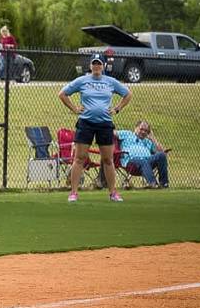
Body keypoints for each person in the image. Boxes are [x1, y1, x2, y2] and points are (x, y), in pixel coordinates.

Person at [58, 53, 132, 202]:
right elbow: (62, 94)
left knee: (108, 159)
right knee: (79, 158)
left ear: (103, 66)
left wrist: (117, 109)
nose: (96, 66)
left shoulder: (110, 82)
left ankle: (113, 193)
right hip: (86, 123)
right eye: (94, 64)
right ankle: (73, 193)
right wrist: (74, 109)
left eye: (99, 64)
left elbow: (128, 94)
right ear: (90, 66)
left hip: (104, 124)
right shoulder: (82, 81)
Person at [116, 120, 169, 188]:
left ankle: (164, 184)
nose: (143, 132)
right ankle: (153, 184)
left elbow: (162, 152)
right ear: (136, 128)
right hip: (131, 161)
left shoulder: (148, 141)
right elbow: (112, 133)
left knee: (161, 155)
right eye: (141, 129)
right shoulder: (127, 134)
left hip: (148, 162)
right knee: (142, 160)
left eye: (146, 131)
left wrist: (153, 138)